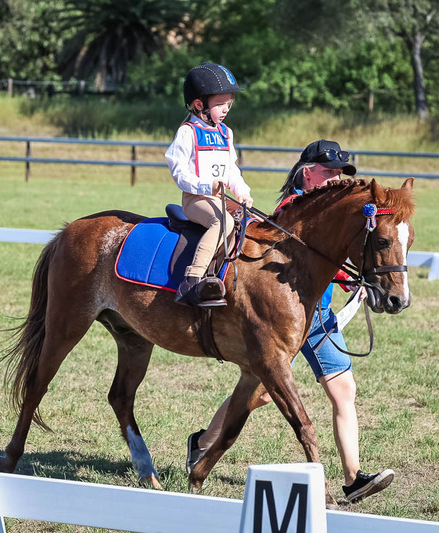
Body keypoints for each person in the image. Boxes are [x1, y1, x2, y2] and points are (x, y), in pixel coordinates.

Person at [185, 139, 394, 503]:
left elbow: (338, 252)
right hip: (284, 317)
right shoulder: (291, 208)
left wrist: (356, 281)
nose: (335, 178)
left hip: (319, 314)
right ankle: (202, 444)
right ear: (307, 171)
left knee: (343, 389)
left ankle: (353, 478)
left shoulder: (335, 209)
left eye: (340, 173)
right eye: (328, 171)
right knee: (259, 393)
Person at [165, 62, 254, 307]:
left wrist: (243, 193)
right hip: (196, 200)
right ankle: (192, 280)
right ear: (199, 105)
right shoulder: (187, 132)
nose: (226, 109)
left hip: (223, 199)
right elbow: (178, 171)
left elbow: (232, 169)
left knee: (253, 222)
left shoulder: (226, 132)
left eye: (229, 104)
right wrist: (207, 187)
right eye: (220, 104)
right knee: (222, 222)